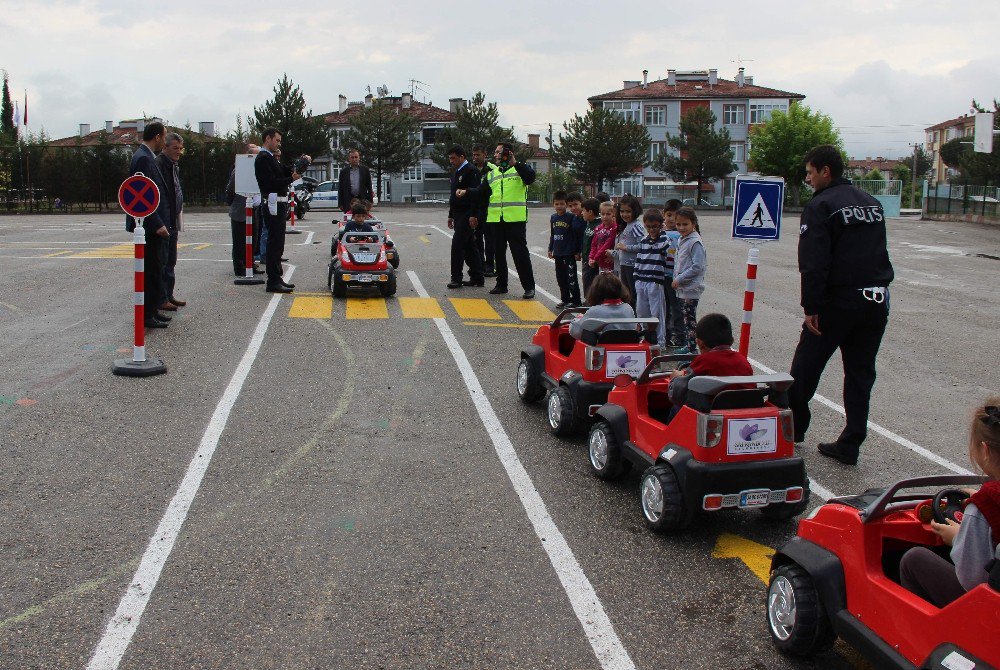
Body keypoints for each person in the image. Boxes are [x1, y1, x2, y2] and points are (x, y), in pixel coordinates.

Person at [788, 144, 894, 465]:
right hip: (875, 299)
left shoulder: (821, 206)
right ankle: (851, 443)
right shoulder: (872, 203)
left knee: (805, 368)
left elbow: (814, 261)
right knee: (860, 374)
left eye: (809, 172)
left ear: (825, 172)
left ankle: (793, 430)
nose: (807, 179)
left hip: (838, 302)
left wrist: (811, 307)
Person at [900, 401, 1000, 607]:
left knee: (913, 559)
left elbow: (973, 579)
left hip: (988, 611)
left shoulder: (983, 507)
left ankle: (924, 635)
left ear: (985, 450)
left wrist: (957, 539)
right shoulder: (987, 502)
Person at [125, 121, 171, 329]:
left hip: (151, 225)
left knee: (155, 269)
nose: (165, 140)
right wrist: (157, 223)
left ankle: (152, 311)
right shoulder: (143, 158)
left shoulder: (146, 157)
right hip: (148, 226)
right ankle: (146, 316)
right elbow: (141, 196)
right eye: (165, 136)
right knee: (150, 271)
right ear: (158, 137)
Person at [478, 142, 537, 299]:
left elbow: (531, 178)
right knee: (499, 254)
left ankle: (529, 287)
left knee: (520, 254)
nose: (496, 155)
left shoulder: (519, 169)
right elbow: (480, 192)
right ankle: (501, 284)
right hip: (496, 220)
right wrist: (465, 192)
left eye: (499, 152)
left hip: (515, 220)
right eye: (495, 152)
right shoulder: (492, 173)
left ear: (508, 153)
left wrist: (515, 163)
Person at [666, 313, 754, 416]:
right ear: (732, 340)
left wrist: (676, 377)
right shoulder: (743, 361)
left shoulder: (704, 360)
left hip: (712, 416)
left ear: (700, 343)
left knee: (676, 408)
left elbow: (677, 395)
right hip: (746, 411)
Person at [254, 128, 306, 294]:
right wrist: (291, 178)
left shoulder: (270, 158)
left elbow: (284, 169)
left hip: (277, 203)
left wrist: (300, 165)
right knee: (274, 242)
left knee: (278, 242)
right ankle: (273, 280)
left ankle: (277, 277)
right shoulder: (263, 158)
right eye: (277, 140)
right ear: (268, 139)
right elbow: (272, 183)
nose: (278, 143)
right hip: (272, 202)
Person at [155, 132, 186, 311]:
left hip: (173, 219)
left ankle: (168, 294)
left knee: (171, 260)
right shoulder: (159, 165)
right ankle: (161, 298)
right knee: (163, 261)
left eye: (181, 148)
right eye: (175, 148)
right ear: (165, 147)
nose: (179, 152)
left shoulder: (173, 165)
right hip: (165, 221)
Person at [446, 145, 483, 289]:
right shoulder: (456, 172)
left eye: (453, 158)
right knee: (469, 247)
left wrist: (474, 215)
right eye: (450, 158)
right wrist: (451, 215)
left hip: (468, 214)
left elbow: (476, 195)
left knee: (457, 245)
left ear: (462, 157)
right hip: (458, 214)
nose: (451, 161)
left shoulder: (471, 171)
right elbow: (453, 196)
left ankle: (456, 278)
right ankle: (477, 277)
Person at [633, 209, 670, 348]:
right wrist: (636, 277)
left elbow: (668, 255)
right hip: (641, 280)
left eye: (655, 226)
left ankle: (659, 341)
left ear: (661, 225)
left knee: (657, 312)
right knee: (641, 310)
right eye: (648, 226)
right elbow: (639, 259)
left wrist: (662, 234)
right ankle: (644, 337)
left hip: (655, 281)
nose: (652, 229)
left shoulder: (664, 240)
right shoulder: (643, 240)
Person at [671, 207, 706, 354]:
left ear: (693, 223)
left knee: (690, 319)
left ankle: (692, 349)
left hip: (690, 289)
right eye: (678, 224)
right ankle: (689, 345)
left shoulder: (695, 242)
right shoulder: (682, 239)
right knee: (685, 318)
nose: (681, 227)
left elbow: (697, 266)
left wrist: (679, 278)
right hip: (683, 288)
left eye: (685, 224)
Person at [225, 143, 263, 277]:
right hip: (241, 210)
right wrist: (233, 204)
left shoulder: (258, 169)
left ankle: (250, 264)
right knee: (240, 241)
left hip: (255, 209)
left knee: (253, 239)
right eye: (257, 155)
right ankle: (240, 267)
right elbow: (230, 190)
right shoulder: (240, 169)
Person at [568, 272, 635, 340]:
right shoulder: (628, 308)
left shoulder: (595, 311)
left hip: (603, 348)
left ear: (596, 292)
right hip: (628, 346)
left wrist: (577, 319)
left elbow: (576, 332)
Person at [548, 190, 583, 308]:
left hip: (569, 253)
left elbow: (576, 234)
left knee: (571, 277)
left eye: (562, 204)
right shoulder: (553, 218)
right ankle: (565, 299)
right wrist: (550, 248)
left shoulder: (571, 217)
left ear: (566, 205)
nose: (559, 206)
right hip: (558, 253)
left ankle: (576, 300)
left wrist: (577, 251)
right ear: (553, 204)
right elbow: (553, 234)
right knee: (561, 278)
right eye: (556, 204)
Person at [611, 194, 644, 310]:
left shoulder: (636, 226)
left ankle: (635, 318)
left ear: (635, 211)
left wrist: (626, 247)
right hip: (624, 265)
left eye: (628, 211)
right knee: (626, 293)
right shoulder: (628, 225)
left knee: (632, 294)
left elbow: (643, 245)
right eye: (622, 211)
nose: (624, 214)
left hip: (632, 266)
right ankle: (628, 315)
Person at [470, 144, 496, 277]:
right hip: (475, 208)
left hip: (489, 207)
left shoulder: (492, 169)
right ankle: (480, 263)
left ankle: (490, 265)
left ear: (485, 155)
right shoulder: (470, 169)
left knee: (489, 238)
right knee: (477, 238)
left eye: (477, 154)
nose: (475, 157)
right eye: (473, 155)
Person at [662, 199, 683, 346]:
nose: (671, 219)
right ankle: (666, 334)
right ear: (664, 215)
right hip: (661, 275)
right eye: (669, 215)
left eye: (675, 216)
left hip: (674, 277)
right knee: (664, 307)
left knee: (676, 308)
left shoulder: (681, 235)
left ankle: (680, 336)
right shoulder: (660, 232)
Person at [588, 201, 618, 282]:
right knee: (602, 284)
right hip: (601, 262)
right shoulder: (598, 228)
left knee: (611, 285)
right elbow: (594, 244)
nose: (605, 216)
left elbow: (607, 245)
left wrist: (595, 258)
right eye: (602, 214)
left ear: (614, 215)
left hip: (610, 263)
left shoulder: (614, 228)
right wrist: (591, 257)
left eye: (608, 214)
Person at [337, 149, 375, 214]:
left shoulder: (365, 170)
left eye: (356, 157)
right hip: (348, 200)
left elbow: (369, 186)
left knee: (361, 219)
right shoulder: (344, 172)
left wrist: (370, 201)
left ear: (359, 158)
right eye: (352, 157)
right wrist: (340, 203)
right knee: (349, 219)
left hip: (362, 199)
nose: (354, 159)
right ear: (349, 159)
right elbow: (340, 189)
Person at [579, 197, 601, 297]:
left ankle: (591, 305)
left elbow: (597, 245)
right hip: (586, 260)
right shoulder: (589, 223)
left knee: (592, 285)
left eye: (583, 211)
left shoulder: (598, 225)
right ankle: (588, 302)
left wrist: (594, 259)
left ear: (590, 212)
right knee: (586, 282)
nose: (582, 213)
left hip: (593, 262)